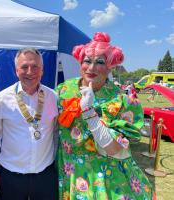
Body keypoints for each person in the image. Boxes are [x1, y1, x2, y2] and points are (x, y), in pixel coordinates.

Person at [56, 32, 155, 200]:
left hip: (107, 177)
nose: (91, 68)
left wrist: (89, 113)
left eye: (100, 62)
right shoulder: (64, 90)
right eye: (87, 60)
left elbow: (114, 149)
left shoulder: (125, 101)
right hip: (70, 172)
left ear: (110, 66)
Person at [0, 48, 58, 200]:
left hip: (45, 176)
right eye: (24, 67)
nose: (30, 71)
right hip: (11, 177)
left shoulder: (53, 97)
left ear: (42, 70)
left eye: (35, 67)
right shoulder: (2, 99)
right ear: (16, 70)